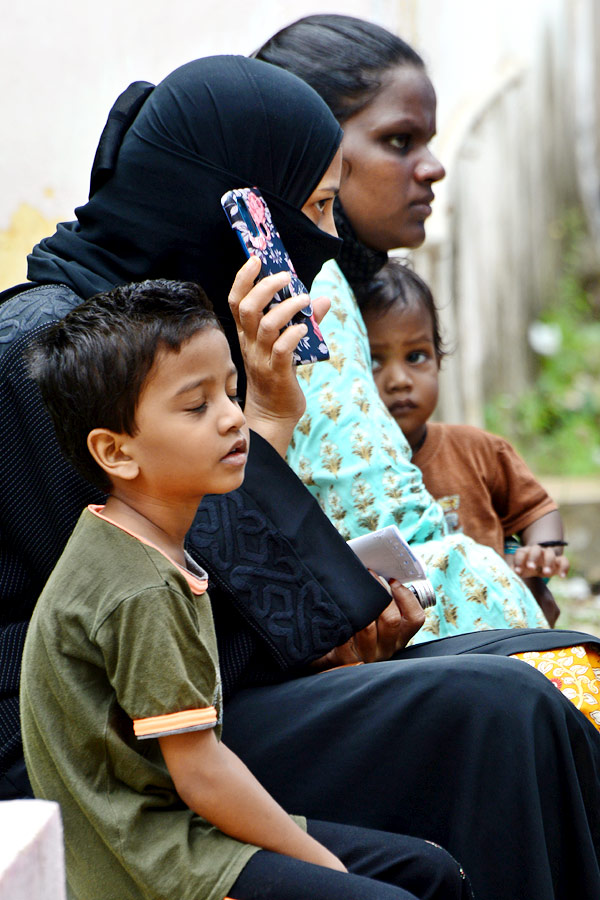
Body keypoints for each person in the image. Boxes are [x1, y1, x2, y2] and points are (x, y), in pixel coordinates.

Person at [2, 53, 600, 900]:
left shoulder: (173, 336)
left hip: (203, 698)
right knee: (505, 710)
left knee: (560, 661)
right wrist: (329, 625)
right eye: (312, 209)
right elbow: (173, 617)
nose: (322, 244)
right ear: (239, 211)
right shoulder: (48, 359)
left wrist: (271, 415)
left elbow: (230, 589)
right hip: (112, 757)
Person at [22, 277, 472, 900]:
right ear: (116, 452)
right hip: (152, 864)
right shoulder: (137, 588)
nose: (234, 417)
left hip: (185, 832)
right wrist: (324, 865)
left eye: (231, 392)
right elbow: (201, 774)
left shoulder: (144, 541)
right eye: (196, 406)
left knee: (430, 871)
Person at [254, 13, 550, 641]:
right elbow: (384, 526)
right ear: (314, 148)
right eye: (399, 141)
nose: (433, 167)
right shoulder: (309, 287)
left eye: (429, 141)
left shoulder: (311, 276)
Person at [361, 259, 570, 628]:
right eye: (374, 361)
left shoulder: (479, 450)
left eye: (415, 357)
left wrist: (542, 552)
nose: (398, 380)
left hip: (497, 629)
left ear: (439, 360)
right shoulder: (346, 471)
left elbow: (538, 510)